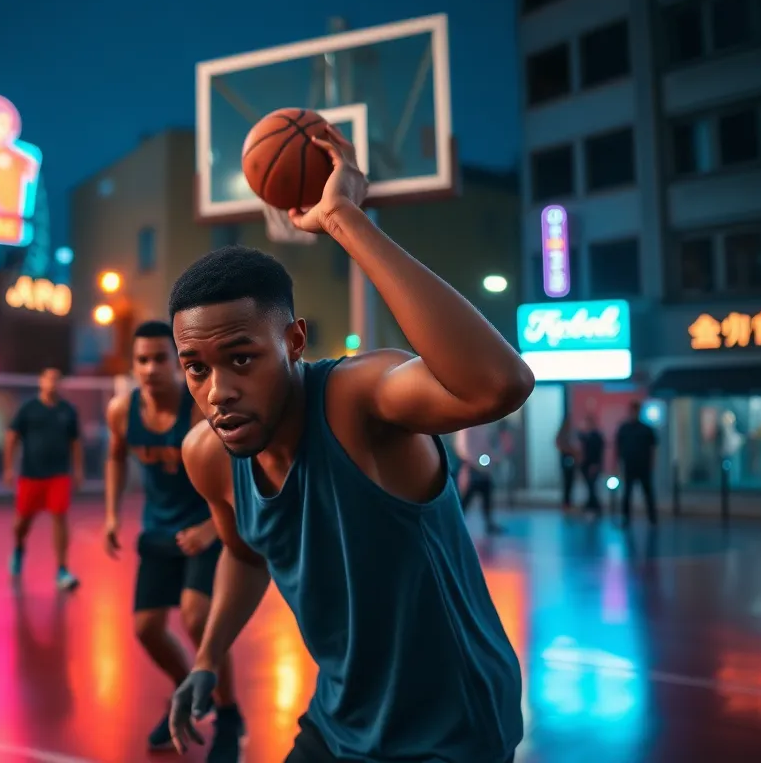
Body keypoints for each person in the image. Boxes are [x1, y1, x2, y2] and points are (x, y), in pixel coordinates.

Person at [165, 127, 530, 762]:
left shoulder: (356, 401)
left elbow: (499, 383)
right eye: (196, 367)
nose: (218, 389)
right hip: (341, 716)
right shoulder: (209, 456)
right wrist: (206, 656)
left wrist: (344, 219)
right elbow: (247, 556)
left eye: (242, 357)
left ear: (295, 342)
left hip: (452, 729)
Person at [104, 320, 244, 759]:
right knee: (146, 629)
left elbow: (241, 470)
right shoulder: (120, 412)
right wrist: (111, 513)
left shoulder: (199, 408)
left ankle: (229, 715)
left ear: (177, 361)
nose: (149, 368)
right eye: (141, 360)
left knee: (197, 616)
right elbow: (114, 458)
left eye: (160, 358)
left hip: (207, 526)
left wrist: (210, 529)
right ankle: (188, 695)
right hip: (158, 530)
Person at [3, 367, 81, 591]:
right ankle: (18, 549)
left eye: (57, 379)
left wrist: (78, 470)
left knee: (60, 517)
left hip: (58, 474)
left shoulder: (68, 410)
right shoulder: (28, 409)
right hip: (31, 475)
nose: (52, 383)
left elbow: (75, 442)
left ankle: (62, 569)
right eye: (48, 378)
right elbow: (11, 437)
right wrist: (8, 468)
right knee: (22, 523)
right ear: (41, 381)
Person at [453, 423, 505, 534]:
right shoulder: (466, 430)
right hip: (470, 468)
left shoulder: (484, 429)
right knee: (466, 498)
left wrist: (493, 458)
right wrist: (474, 463)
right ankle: (456, 523)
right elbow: (463, 449)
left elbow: (487, 447)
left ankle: (489, 523)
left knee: (487, 495)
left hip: (483, 470)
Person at [615, 401, 658, 527]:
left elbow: (653, 448)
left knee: (648, 492)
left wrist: (652, 463)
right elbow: (619, 448)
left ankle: (652, 517)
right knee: (627, 493)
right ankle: (626, 517)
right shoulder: (624, 428)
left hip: (643, 465)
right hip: (629, 465)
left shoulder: (646, 429)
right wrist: (618, 464)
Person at [577, 415, 605, 519]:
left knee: (592, 487)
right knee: (589, 487)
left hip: (593, 465)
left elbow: (598, 453)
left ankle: (594, 507)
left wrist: (595, 465)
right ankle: (592, 507)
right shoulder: (586, 436)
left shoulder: (597, 437)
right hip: (585, 465)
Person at [555, 414, 580, 511]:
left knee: (570, 482)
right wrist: (569, 450)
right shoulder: (563, 434)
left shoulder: (571, 433)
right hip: (566, 459)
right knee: (567, 482)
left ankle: (568, 502)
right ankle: (566, 503)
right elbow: (559, 444)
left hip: (571, 460)